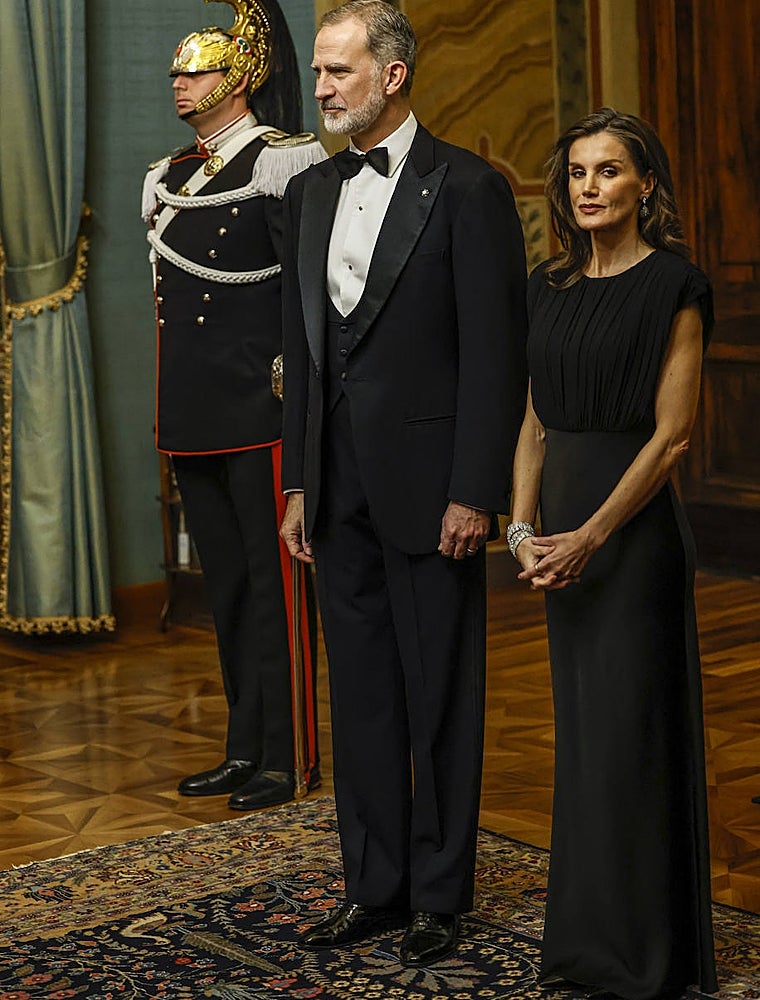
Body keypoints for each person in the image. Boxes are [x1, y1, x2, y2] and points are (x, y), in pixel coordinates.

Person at [279, 0, 528, 969]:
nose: (322, 86)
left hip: (433, 488)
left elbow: (495, 356)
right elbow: (305, 351)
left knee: (439, 697)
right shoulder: (310, 190)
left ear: (393, 75)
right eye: (319, 70)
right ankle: (372, 885)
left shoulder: (468, 188)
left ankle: (438, 893)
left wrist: (476, 489)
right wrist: (299, 483)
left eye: (338, 70)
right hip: (333, 486)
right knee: (363, 698)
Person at [508, 107, 717, 999]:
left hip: (629, 544)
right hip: (556, 542)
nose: (588, 187)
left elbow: (672, 439)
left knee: (634, 741)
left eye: (608, 171)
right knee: (587, 743)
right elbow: (533, 419)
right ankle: (587, 946)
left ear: (645, 185)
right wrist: (522, 530)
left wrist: (590, 535)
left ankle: (648, 959)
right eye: (577, 173)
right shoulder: (547, 285)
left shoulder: (676, 285)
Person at [141, 0, 327, 811]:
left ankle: (287, 757)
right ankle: (243, 746)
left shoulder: (280, 162)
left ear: (240, 76)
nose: (179, 86)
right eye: (176, 75)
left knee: (273, 589)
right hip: (195, 417)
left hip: (260, 413)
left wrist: (301, 411)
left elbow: (304, 300)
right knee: (227, 591)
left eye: (197, 73)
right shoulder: (171, 176)